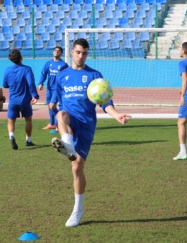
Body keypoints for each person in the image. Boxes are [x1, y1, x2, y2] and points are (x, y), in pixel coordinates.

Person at [49, 38, 132, 227]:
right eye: (78, 52)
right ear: (71, 52)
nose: (81, 56)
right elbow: (57, 97)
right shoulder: (62, 76)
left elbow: (105, 101)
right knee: (61, 114)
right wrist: (52, 102)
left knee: (77, 168)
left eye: (84, 53)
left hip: (86, 124)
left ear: (87, 54)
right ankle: (67, 144)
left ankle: (78, 209)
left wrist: (117, 116)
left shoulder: (94, 75)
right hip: (69, 119)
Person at [3, 49, 40, 150]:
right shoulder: (27, 69)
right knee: (28, 120)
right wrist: (35, 95)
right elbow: (31, 83)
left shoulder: (8, 70)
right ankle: (28, 140)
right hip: (25, 100)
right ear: (21, 57)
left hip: (13, 100)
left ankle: (11, 136)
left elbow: (5, 84)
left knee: (11, 121)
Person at [38, 46, 68, 131]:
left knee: (52, 106)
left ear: (61, 53)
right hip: (49, 88)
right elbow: (43, 73)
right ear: (53, 52)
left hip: (57, 89)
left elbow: (67, 76)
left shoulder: (63, 65)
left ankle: (59, 124)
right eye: (55, 50)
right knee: (49, 106)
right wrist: (40, 83)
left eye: (58, 51)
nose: (56, 52)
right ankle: (52, 124)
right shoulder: (48, 63)